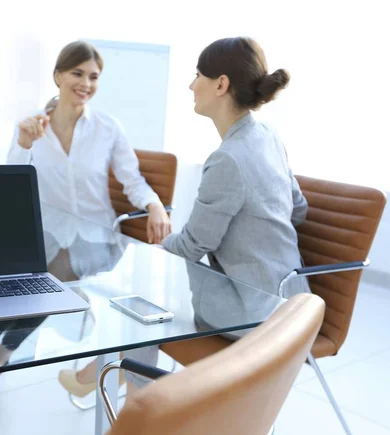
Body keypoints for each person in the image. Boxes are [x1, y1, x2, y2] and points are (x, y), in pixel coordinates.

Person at [0, 40, 171, 420]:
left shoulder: (108, 128)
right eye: (77, 73)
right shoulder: (31, 126)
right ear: (58, 75)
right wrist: (24, 145)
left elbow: (132, 180)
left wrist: (154, 204)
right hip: (40, 234)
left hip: (94, 240)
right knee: (7, 288)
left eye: (93, 76)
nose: (86, 83)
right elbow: (9, 183)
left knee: (39, 285)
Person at [58, 36, 310, 398]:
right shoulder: (267, 135)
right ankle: (108, 380)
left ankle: (137, 403)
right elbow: (298, 209)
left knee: (143, 297)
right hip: (291, 299)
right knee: (148, 295)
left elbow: (192, 247)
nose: (191, 85)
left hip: (252, 311)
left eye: (197, 75)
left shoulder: (229, 158)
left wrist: (155, 247)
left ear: (221, 84)